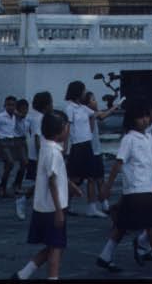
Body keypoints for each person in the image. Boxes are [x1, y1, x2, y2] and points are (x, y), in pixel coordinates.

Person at [98, 98, 152, 272]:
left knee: (122, 225)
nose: (145, 120)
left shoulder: (148, 137)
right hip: (135, 188)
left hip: (146, 187)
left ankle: (105, 255)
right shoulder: (129, 139)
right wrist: (108, 186)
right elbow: (118, 163)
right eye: (141, 117)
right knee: (151, 224)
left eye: (147, 117)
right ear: (132, 119)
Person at [13, 111, 73, 281]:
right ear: (59, 131)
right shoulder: (54, 153)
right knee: (56, 248)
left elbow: (55, 175)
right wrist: (59, 211)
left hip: (43, 206)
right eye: (67, 127)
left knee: (52, 246)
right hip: (53, 208)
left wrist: (72, 186)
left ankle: (23, 274)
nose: (68, 131)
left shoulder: (47, 148)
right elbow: (53, 181)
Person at [63, 81, 116, 218]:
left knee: (91, 177)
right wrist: (64, 148)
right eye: (83, 91)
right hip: (77, 146)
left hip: (87, 145)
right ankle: (65, 205)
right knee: (75, 179)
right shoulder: (70, 108)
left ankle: (91, 207)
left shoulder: (82, 108)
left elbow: (99, 115)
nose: (85, 94)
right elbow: (67, 129)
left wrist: (115, 107)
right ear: (77, 92)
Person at [16, 91, 51, 222]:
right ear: (46, 105)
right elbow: (37, 138)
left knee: (43, 183)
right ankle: (24, 201)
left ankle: (29, 203)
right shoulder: (39, 118)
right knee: (43, 182)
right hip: (38, 156)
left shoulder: (37, 116)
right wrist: (42, 156)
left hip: (37, 155)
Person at [0, 96, 23, 198]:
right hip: (3, 142)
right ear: (5, 105)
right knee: (10, 163)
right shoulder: (0, 116)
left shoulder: (14, 116)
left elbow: (23, 117)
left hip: (12, 142)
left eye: (13, 105)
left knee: (8, 166)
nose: (10, 107)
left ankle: (3, 187)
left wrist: (18, 114)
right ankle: (2, 187)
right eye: (8, 105)